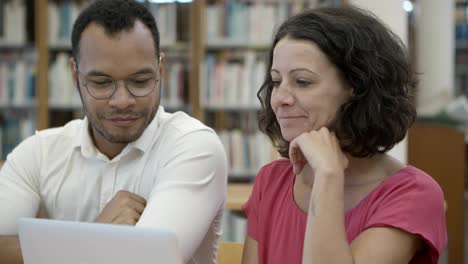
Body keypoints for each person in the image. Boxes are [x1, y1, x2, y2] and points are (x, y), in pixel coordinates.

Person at [0, 1, 227, 263]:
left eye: (140, 81)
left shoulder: (194, 146)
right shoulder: (38, 152)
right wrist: (96, 233)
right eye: (101, 83)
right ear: (75, 75)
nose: (121, 101)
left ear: (161, 69)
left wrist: (54, 248)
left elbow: (146, 260)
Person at [241, 6, 447, 264]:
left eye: (302, 82)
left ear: (356, 86)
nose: (280, 97)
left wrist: (328, 175)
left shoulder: (413, 194)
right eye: (275, 81)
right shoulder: (272, 181)